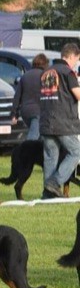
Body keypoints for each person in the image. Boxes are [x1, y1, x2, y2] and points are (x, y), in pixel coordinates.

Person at [39, 43, 80, 199]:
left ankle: (47, 195)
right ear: (71, 56)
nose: (76, 63)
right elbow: (78, 95)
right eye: (76, 60)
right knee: (76, 151)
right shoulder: (67, 72)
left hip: (46, 121)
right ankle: (55, 182)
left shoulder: (46, 72)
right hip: (63, 122)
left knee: (50, 157)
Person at [12, 53, 49, 142]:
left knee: (40, 136)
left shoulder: (25, 76)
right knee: (33, 138)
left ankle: (38, 154)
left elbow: (17, 97)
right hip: (38, 111)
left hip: (25, 112)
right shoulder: (45, 76)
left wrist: (14, 114)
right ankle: (25, 153)